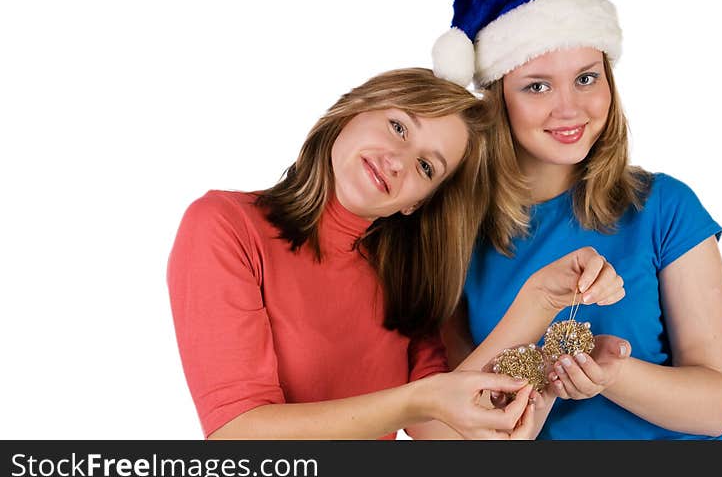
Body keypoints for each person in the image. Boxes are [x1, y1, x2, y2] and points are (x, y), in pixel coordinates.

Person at [431, 0, 722, 439]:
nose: (569, 109)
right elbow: (461, 420)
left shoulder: (664, 207)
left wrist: (610, 373)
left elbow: (713, 407)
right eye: (537, 86)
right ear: (497, 100)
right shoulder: (453, 232)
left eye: (586, 78)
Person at [167, 68, 543, 440]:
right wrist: (417, 401)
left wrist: (541, 303)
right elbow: (237, 434)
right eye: (398, 127)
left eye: (426, 167)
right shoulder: (226, 226)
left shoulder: (404, 279)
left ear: (417, 203)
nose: (397, 161)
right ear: (354, 109)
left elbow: (442, 427)